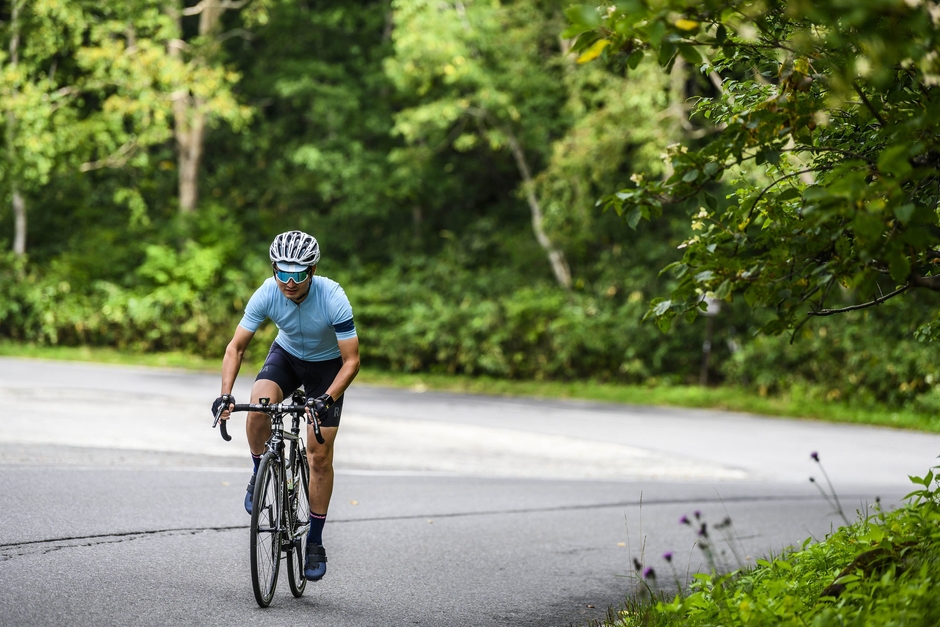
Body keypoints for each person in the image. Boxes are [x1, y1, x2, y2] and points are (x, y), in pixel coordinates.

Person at [211, 230, 360, 582]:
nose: (288, 282)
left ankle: (315, 541)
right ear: (274, 269)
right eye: (282, 272)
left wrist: (327, 398)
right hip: (288, 357)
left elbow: (351, 361)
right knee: (259, 404)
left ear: (312, 271)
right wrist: (226, 393)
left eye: (298, 273)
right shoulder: (267, 292)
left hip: (327, 369)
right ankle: (258, 470)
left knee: (319, 454)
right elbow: (235, 348)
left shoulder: (333, 297)